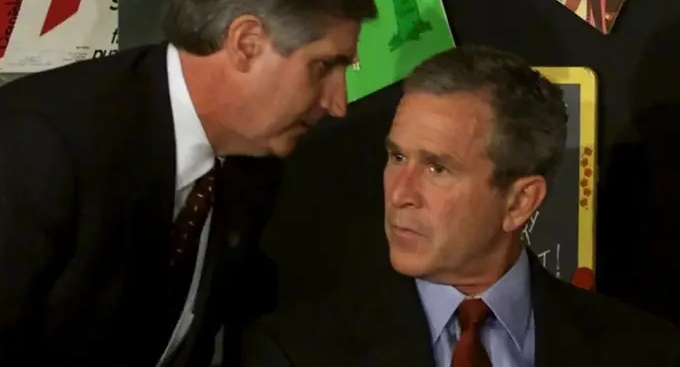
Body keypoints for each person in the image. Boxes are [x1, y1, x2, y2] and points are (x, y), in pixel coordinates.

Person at [0, 0, 377, 366]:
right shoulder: (36, 145)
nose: (338, 102)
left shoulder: (254, 156)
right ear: (247, 44)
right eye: (324, 66)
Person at [239, 46, 680, 366]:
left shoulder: (645, 351)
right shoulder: (294, 351)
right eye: (397, 157)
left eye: (437, 168)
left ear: (520, 201)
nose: (399, 193)